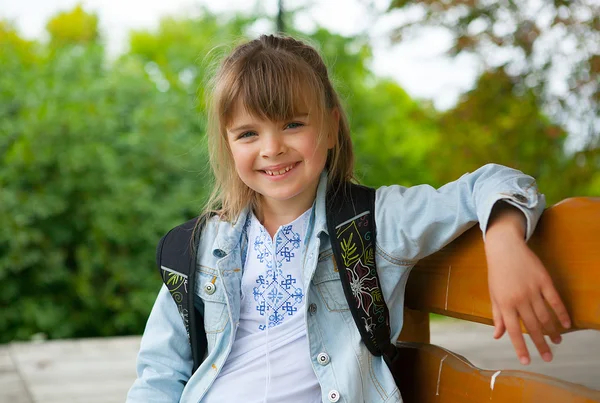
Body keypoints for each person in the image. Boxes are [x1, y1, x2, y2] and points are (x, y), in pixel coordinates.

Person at [127, 34, 571, 403]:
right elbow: (159, 373)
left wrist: (505, 241)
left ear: (332, 127)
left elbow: (495, 181)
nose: (271, 148)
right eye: (248, 133)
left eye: (293, 125)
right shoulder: (201, 247)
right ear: (227, 145)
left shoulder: (375, 222)